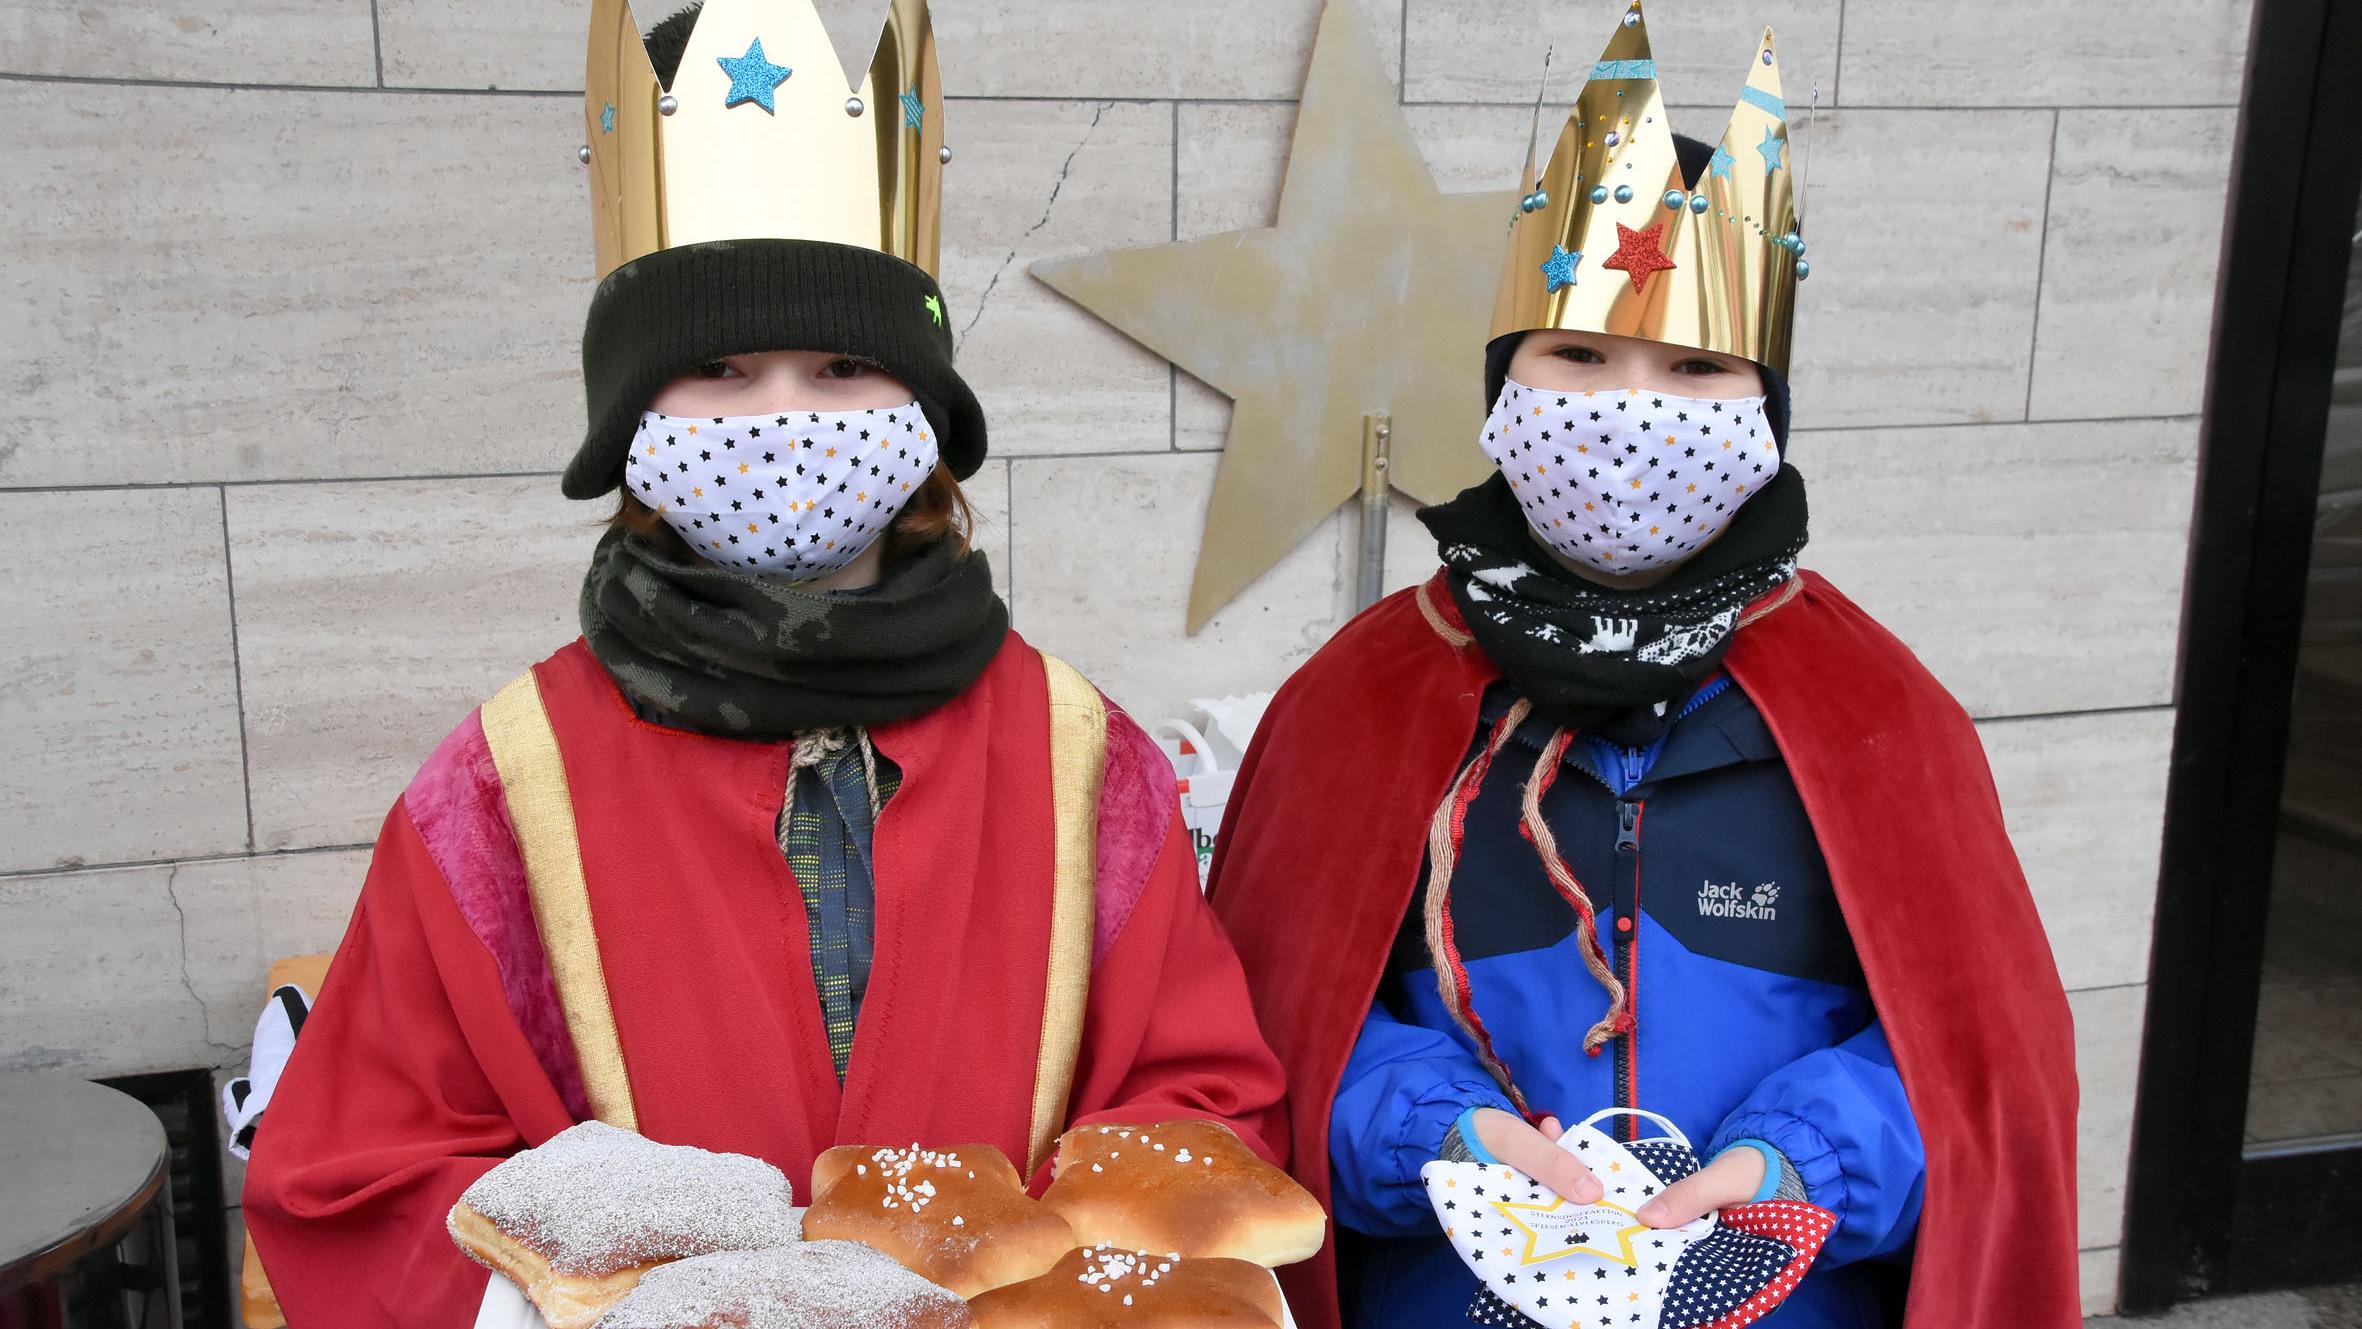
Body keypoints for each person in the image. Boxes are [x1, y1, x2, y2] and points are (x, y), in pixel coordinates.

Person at [242, 4, 1287, 1323]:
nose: (783, 416)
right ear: (630, 420)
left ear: (924, 419)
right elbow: (357, 1174)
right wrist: (574, 1299)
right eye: (720, 368)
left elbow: (1200, 1105)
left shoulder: (1084, 759)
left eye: (843, 365)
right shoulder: (502, 786)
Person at [1206, 6, 2080, 1329]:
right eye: (1578, 355)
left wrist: (1798, 1161)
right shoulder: (1365, 693)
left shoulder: (1874, 713)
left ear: (1762, 407)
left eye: (1692, 366)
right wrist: (1440, 1137)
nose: (1631, 408)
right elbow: (1254, 1033)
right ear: (1507, 388)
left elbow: (1979, 1066)